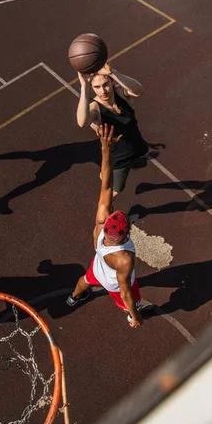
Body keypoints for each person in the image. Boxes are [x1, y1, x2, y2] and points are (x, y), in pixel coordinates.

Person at [66, 124, 152, 327]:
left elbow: (106, 183)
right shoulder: (124, 259)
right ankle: (131, 317)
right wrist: (135, 315)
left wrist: (106, 150)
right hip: (113, 283)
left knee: (84, 281)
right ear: (126, 233)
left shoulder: (101, 219)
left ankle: (74, 298)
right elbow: (125, 292)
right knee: (131, 303)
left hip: (98, 267)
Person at [76, 63, 149, 197]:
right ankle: (106, 215)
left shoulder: (120, 93)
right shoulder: (95, 108)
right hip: (118, 160)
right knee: (115, 191)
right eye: (97, 87)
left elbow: (138, 90)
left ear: (111, 82)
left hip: (139, 147)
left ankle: (131, 166)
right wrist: (84, 87)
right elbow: (82, 122)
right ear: (92, 88)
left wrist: (113, 72)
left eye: (105, 84)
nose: (103, 91)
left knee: (140, 164)